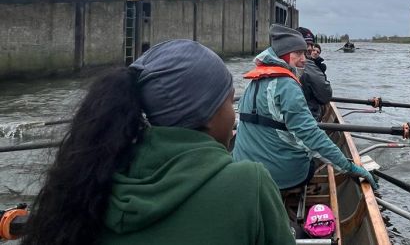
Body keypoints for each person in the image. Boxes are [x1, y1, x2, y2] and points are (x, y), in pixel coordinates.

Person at [22, 39, 295, 245]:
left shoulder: (90, 178)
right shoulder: (249, 183)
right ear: (207, 114)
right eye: (228, 100)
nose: (232, 113)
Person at [233, 24, 377, 191]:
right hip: (281, 178)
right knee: (310, 160)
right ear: (284, 54)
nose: (304, 59)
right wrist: (348, 167)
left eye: (305, 53)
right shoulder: (286, 85)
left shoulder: (255, 80)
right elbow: (310, 135)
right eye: (299, 53)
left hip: (245, 172)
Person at [296, 27, 331, 121]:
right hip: (307, 119)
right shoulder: (307, 65)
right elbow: (326, 95)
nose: (311, 49)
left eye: (312, 45)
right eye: (307, 44)